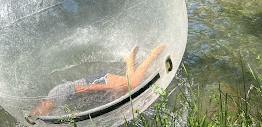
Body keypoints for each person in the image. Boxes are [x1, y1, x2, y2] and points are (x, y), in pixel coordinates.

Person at [30, 44, 165, 117]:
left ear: (42, 102)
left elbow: (85, 89)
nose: (41, 114)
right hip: (96, 91)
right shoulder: (55, 107)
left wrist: (109, 88)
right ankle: (129, 60)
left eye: (37, 111)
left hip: (97, 82)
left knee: (132, 85)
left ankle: (152, 55)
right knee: (127, 89)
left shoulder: (56, 95)